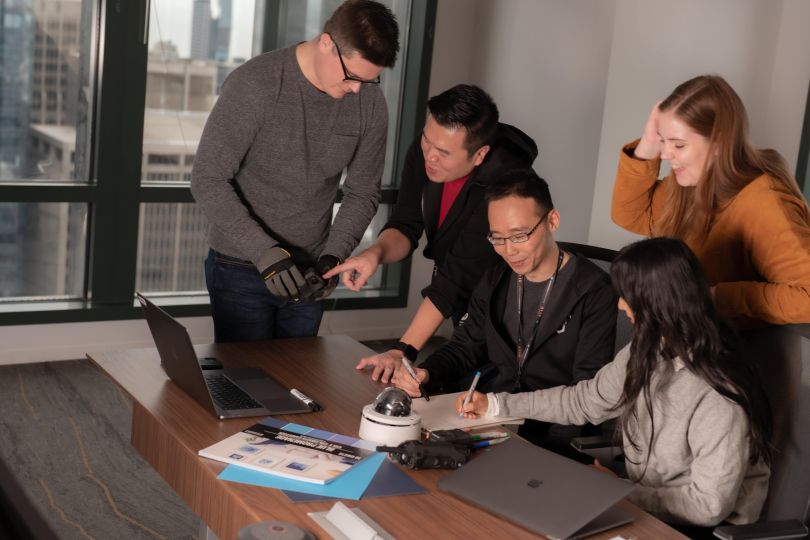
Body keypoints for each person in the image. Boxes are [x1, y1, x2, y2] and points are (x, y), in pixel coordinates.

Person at [458, 237, 773, 534]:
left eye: (627, 296)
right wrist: (497, 405)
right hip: (640, 503)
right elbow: (585, 401)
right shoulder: (648, 349)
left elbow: (708, 506)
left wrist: (619, 491)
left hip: (697, 530)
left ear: (657, 302)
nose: (621, 305)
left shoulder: (719, 396)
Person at [190, 0, 399, 342]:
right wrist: (264, 252)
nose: (357, 89)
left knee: (299, 374)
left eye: (369, 80)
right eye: (352, 76)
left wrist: (333, 255)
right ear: (327, 43)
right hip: (241, 265)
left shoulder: (370, 103)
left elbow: (363, 193)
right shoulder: (255, 83)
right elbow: (208, 179)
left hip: (312, 269)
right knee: (245, 373)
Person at [392, 168, 618, 453]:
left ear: (552, 221)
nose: (509, 250)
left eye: (519, 235)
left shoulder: (594, 290)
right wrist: (427, 373)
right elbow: (465, 346)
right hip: (492, 416)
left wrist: (556, 453)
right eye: (497, 238)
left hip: (552, 431)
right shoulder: (496, 278)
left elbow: (587, 390)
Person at [325, 84, 538, 379]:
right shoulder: (425, 151)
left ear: (479, 155)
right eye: (427, 140)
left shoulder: (503, 187)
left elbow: (455, 279)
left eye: (444, 152)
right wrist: (375, 253)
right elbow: (406, 223)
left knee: (485, 387)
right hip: (457, 294)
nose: (430, 157)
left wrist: (402, 350)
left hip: (506, 307)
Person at [611, 74, 810, 326]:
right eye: (663, 141)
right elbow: (629, 214)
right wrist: (648, 145)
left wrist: (715, 297)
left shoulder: (766, 203)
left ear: (718, 143)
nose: (665, 154)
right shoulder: (690, 182)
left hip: (738, 346)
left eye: (678, 145)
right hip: (693, 337)